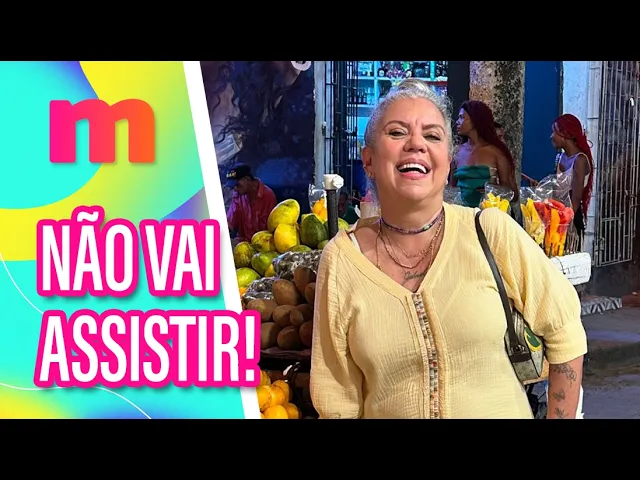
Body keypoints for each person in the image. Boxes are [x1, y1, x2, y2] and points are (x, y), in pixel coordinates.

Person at [310, 78, 587, 419]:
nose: (416, 144)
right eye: (397, 132)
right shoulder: (342, 260)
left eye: (432, 136)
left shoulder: (491, 232)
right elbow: (337, 401)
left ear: (448, 163)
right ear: (368, 161)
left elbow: (565, 332)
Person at [450, 101, 518, 207]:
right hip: (461, 213)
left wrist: (492, 191)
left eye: (462, 117)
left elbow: (514, 194)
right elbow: (451, 189)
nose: (457, 122)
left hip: (489, 213)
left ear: (475, 120)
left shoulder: (497, 152)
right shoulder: (456, 152)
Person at [551, 114, 594, 252]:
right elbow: (558, 189)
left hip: (570, 219)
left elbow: (576, 198)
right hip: (559, 216)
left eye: (554, 132)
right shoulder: (560, 157)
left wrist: (565, 224)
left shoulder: (580, 160)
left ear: (565, 134)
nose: (551, 136)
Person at [225, 163, 277, 244]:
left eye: (237, 185)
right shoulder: (238, 195)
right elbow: (230, 222)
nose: (235, 189)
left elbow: (273, 228)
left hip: (264, 244)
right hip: (242, 243)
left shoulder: (268, 196)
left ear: (247, 179)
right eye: (233, 186)